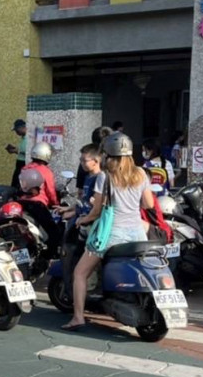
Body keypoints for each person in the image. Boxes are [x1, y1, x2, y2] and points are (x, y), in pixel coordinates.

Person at [64, 132, 154, 330]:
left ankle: (78, 317)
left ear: (107, 155)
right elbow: (148, 204)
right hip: (137, 234)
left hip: (112, 235)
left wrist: (82, 219)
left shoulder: (107, 177)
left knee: (79, 273)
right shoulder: (140, 173)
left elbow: (96, 212)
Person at [17, 141, 62, 256]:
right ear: (46, 155)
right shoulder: (46, 171)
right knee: (54, 231)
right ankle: (50, 256)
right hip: (38, 205)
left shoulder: (25, 168)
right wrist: (56, 203)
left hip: (22, 202)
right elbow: (50, 191)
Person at [6, 119, 29, 187]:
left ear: (22, 127)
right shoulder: (23, 138)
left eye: (16, 130)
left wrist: (16, 151)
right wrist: (15, 149)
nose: (16, 132)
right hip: (19, 164)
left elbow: (28, 152)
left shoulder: (29, 138)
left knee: (17, 185)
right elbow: (22, 151)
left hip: (24, 164)